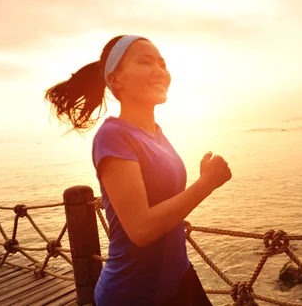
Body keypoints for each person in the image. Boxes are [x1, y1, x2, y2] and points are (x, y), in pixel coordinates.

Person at [45, 35, 232, 305]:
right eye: (146, 62)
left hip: (180, 278)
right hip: (132, 293)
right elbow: (141, 229)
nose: (159, 70)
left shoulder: (157, 133)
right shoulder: (112, 136)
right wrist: (206, 183)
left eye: (162, 63)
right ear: (117, 79)